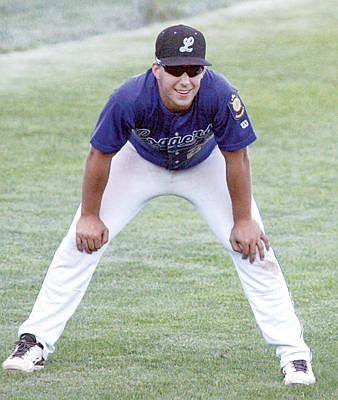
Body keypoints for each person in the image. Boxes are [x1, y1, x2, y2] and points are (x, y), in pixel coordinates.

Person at [3, 24, 315, 385]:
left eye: (194, 70)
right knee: (79, 242)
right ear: (157, 69)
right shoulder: (129, 97)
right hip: (140, 163)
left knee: (256, 250)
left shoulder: (220, 93)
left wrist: (242, 219)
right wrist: (89, 215)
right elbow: (99, 154)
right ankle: (33, 341)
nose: (185, 80)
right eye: (175, 70)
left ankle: (294, 356)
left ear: (204, 71)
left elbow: (237, 157)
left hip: (203, 165)